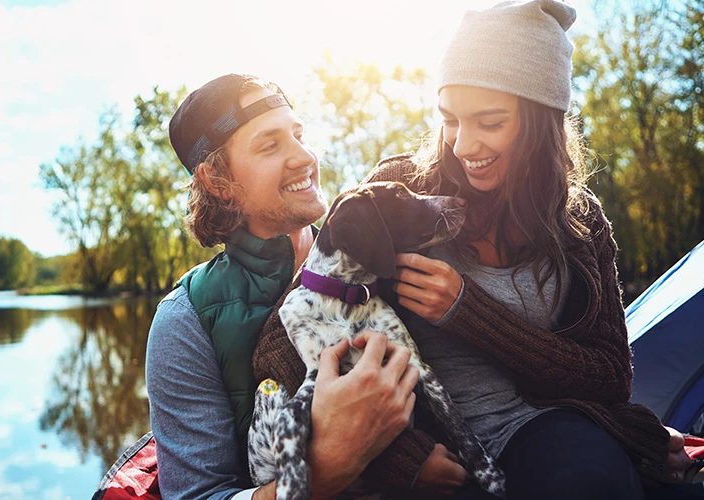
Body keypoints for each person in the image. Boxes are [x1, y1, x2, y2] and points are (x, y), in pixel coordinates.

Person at [254, 1, 704, 498]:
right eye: (450, 119)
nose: (464, 144)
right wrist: (398, 460)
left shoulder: (579, 221)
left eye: (489, 122)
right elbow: (280, 343)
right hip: (438, 446)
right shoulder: (395, 192)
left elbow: (610, 377)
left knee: (594, 483)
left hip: (547, 431)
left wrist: (468, 311)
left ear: (540, 121)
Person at [145, 74, 421, 499]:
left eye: (298, 134)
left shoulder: (379, 250)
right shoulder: (184, 322)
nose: (304, 156)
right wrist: (327, 465)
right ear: (218, 180)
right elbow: (199, 494)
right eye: (269, 145)